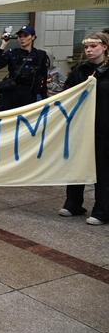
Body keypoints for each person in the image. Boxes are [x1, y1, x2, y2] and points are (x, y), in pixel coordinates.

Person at [58, 32, 109, 226]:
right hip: (81, 127)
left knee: (103, 169)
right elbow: (67, 94)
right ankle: (73, 203)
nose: (88, 50)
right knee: (77, 164)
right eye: (86, 47)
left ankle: (102, 210)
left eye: (93, 46)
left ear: (104, 47)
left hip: (104, 128)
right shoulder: (80, 70)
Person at [0, 25, 49, 111]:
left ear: (33, 37)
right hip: (11, 97)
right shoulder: (13, 53)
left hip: (29, 98)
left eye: (25, 36)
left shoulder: (40, 55)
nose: (22, 38)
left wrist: (44, 97)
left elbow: (43, 77)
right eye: (20, 36)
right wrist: (3, 45)